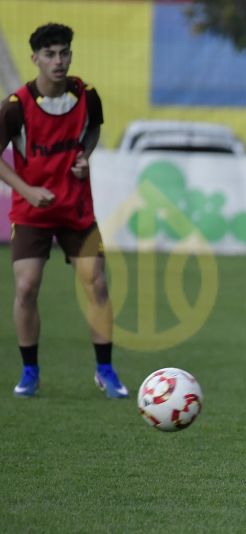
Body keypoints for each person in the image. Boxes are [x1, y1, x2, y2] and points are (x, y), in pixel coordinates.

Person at [0, 23, 127, 398]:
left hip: (76, 210)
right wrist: (26, 189)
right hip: (31, 212)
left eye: (64, 53)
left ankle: (105, 370)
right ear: (35, 59)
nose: (59, 61)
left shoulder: (87, 96)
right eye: (50, 54)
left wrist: (84, 157)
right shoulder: (16, 106)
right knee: (26, 287)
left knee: (98, 285)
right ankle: (29, 372)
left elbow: (92, 132)